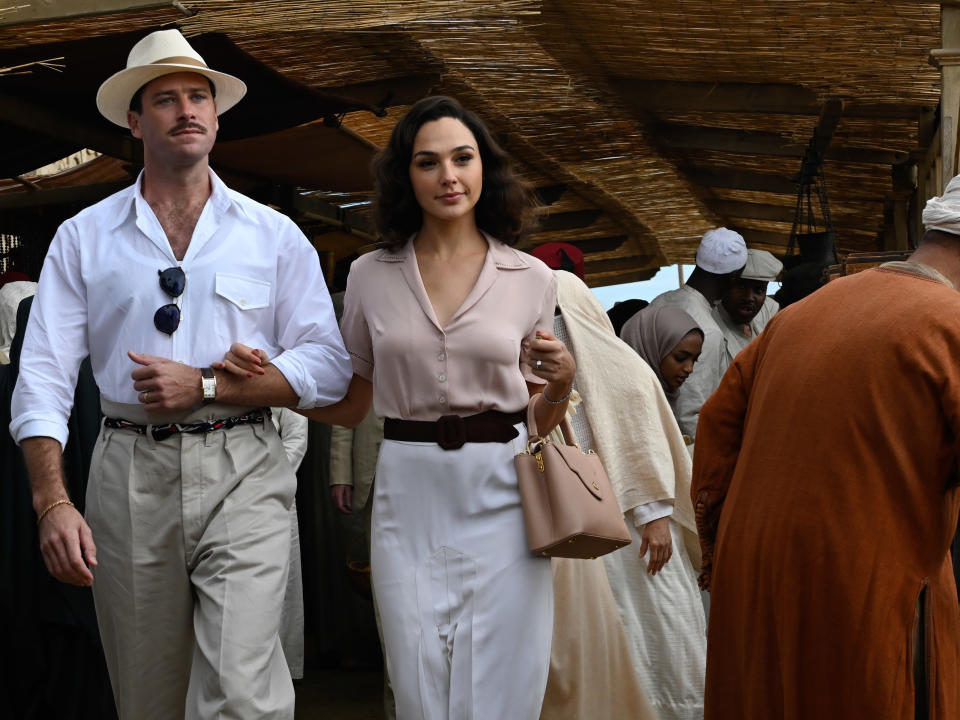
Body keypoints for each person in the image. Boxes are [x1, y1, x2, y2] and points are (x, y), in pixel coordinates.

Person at [9, 29, 352, 720]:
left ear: (217, 117)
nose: (186, 109)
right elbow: (41, 378)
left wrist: (215, 383)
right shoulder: (83, 235)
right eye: (165, 99)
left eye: (198, 96)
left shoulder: (274, 233)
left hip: (245, 463)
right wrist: (52, 502)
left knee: (244, 694)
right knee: (150, 696)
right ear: (136, 122)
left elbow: (328, 366)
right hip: (128, 470)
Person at [225, 95, 576, 720]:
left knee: (502, 682)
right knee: (418, 684)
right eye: (428, 161)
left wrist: (560, 386)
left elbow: (536, 419)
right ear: (404, 176)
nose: (448, 176)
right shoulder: (369, 275)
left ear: (483, 169)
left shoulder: (530, 278)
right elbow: (353, 400)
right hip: (408, 490)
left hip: (504, 485)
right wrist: (271, 383)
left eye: (462, 158)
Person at [690, 179, 960, 718]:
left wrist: (725, 556)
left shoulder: (799, 314)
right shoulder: (949, 324)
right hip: (866, 587)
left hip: (757, 580)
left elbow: (717, 431)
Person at [545, 269, 706, 720]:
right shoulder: (535, 369)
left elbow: (641, 441)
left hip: (641, 530)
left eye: (560, 315)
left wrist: (653, 515)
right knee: (613, 631)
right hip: (585, 531)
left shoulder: (622, 366)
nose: (552, 326)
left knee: (663, 628)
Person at [621, 227, 746, 441]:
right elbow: (690, 416)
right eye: (682, 358)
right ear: (735, 276)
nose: (688, 367)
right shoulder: (707, 331)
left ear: (697, 259)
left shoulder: (660, 301)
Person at [622, 305, 705, 439]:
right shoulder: (631, 404)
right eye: (680, 358)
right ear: (652, 348)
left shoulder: (667, 395)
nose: (689, 368)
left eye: (695, 360)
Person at [712, 248, 781, 371]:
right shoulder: (709, 330)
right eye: (741, 286)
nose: (749, 298)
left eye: (759, 290)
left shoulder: (765, 318)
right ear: (726, 285)